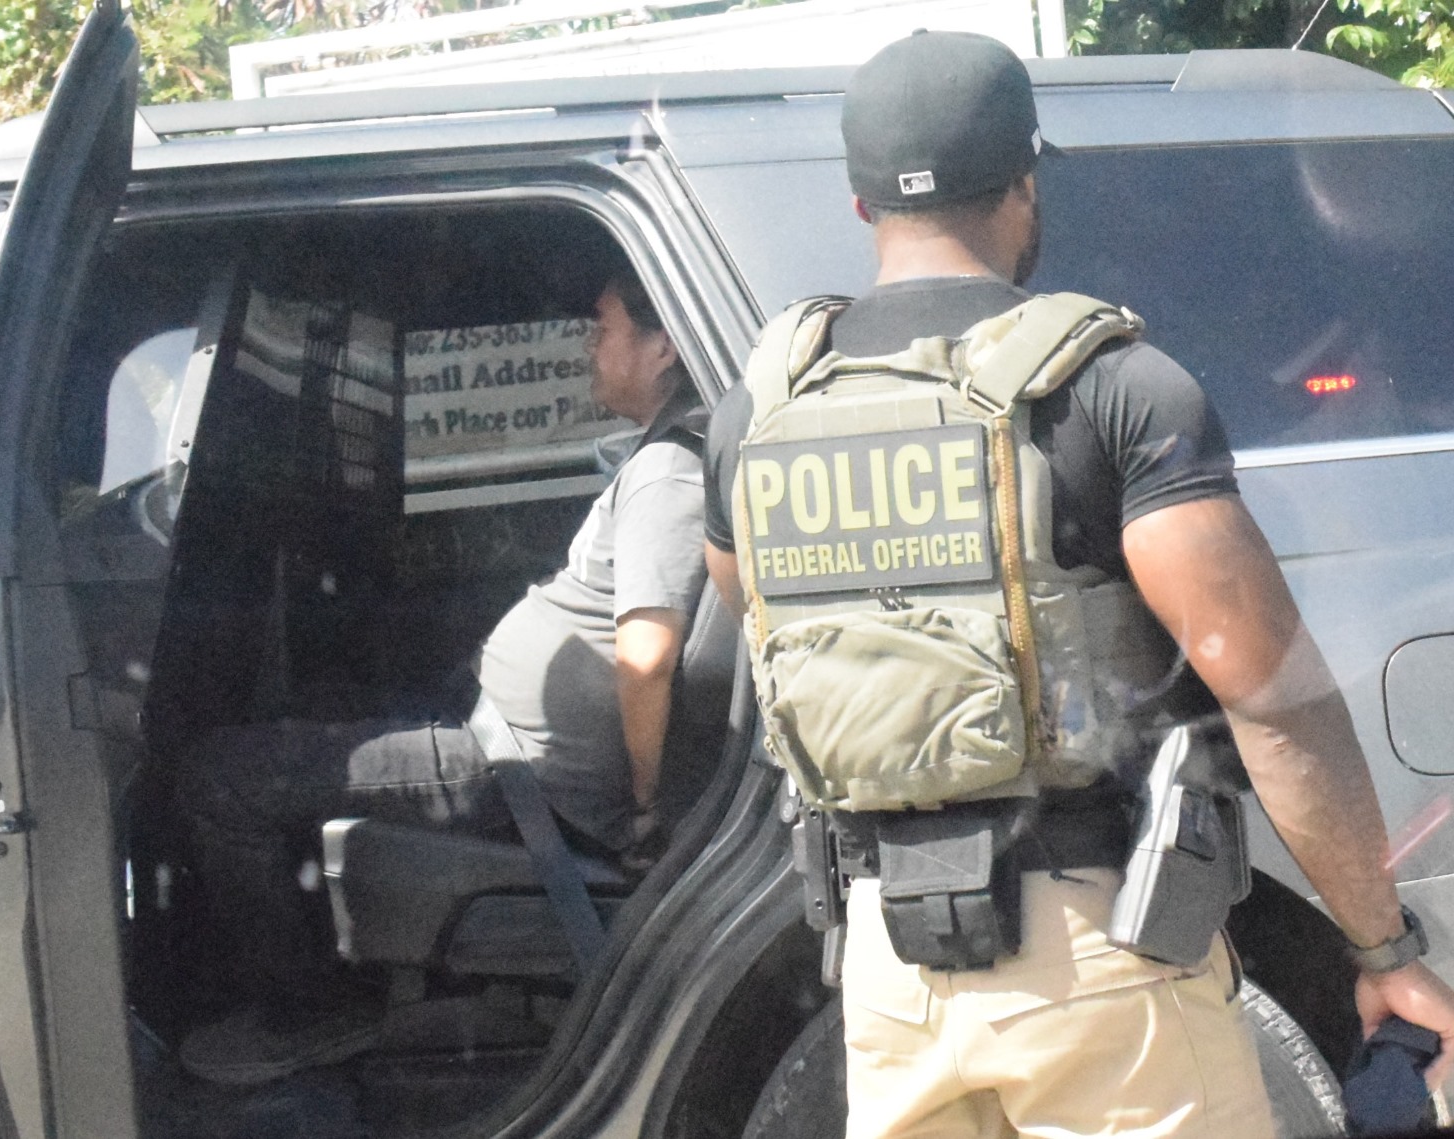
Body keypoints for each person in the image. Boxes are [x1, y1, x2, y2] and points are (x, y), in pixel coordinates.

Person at [700, 30, 1454, 1139]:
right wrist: (1383, 948)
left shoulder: (756, 412)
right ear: (1023, 184)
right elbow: (1270, 695)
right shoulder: (1105, 391)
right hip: (1099, 959)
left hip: (884, 974)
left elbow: (756, 623)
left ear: (860, 209)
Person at [177, 269, 708, 1084]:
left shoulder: (671, 472)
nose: (587, 347)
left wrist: (646, 815)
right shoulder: (657, 458)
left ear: (662, 344)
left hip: (524, 777)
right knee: (316, 708)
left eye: (601, 329)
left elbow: (647, 657)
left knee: (224, 779)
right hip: (508, 741)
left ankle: (311, 1011)